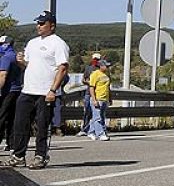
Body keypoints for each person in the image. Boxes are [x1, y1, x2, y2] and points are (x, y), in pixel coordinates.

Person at [2, 10, 70, 169]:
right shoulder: (32, 43)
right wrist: (20, 62)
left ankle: (40, 155)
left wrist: (53, 90)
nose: (38, 26)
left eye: (42, 23)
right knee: (20, 123)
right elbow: (28, 65)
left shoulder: (58, 43)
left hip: (45, 92)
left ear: (51, 25)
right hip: (28, 90)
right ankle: (18, 156)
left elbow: (63, 68)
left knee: (41, 126)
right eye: (37, 23)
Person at [0, 36, 23, 151]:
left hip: (7, 91)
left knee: (1, 117)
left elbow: (2, 75)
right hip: (17, 90)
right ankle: (12, 143)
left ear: (6, 44)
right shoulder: (16, 57)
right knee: (12, 118)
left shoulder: (5, 58)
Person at [77, 52, 102, 136]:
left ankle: (96, 129)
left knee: (97, 112)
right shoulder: (88, 68)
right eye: (95, 59)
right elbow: (83, 80)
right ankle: (85, 129)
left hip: (99, 93)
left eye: (97, 59)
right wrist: (90, 82)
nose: (96, 61)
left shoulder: (102, 69)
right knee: (87, 111)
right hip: (89, 92)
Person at [88, 59, 112, 141]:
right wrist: (94, 100)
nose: (108, 67)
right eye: (106, 66)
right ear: (101, 66)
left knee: (100, 117)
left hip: (105, 98)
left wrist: (110, 98)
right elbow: (91, 87)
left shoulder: (107, 74)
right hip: (97, 98)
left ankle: (91, 132)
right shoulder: (95, 74)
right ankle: (101, 134)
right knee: (97, 117)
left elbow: (108, 87)